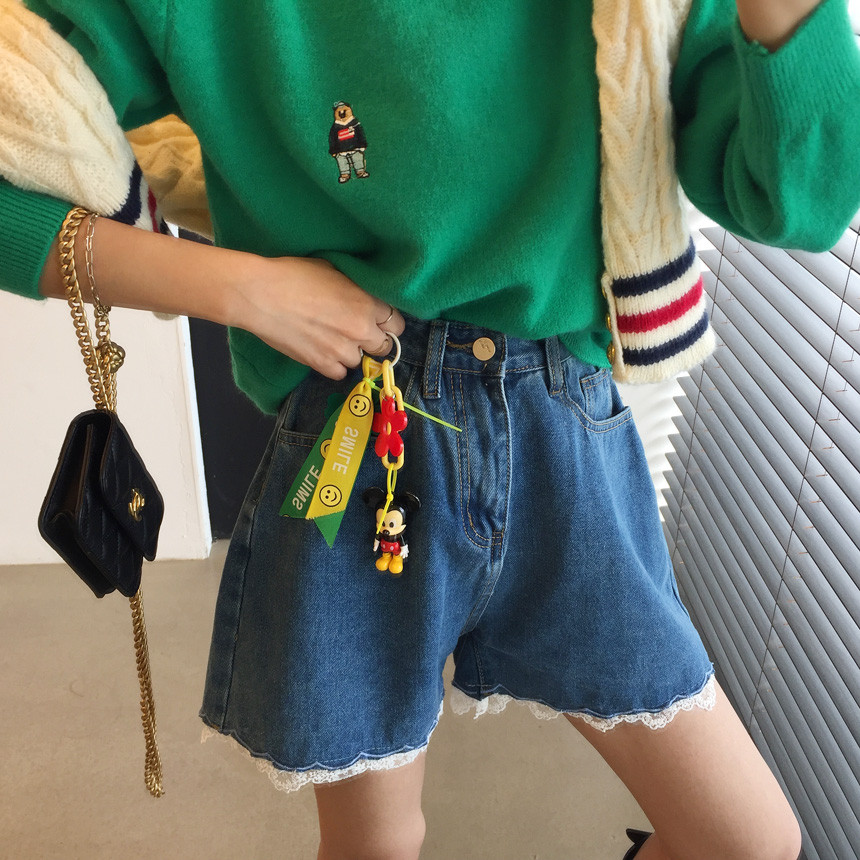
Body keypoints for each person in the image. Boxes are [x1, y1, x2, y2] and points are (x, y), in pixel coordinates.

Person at [2, 0, 859, 858]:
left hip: (564, 443)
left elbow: (804, 198)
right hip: (357, 434)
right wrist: (245, 290)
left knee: (746, 840)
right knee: (374, 845)